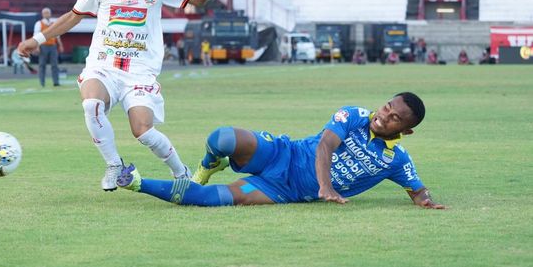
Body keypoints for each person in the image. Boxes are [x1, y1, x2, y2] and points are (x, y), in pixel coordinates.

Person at [18, 0, 219, 190]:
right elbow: (73, 15)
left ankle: (181, 173)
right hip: (103, 66)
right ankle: (114, 165)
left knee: (143, 131)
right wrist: (37, 40)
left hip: (140, 72)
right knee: (91, 104)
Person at [117, 92, 446, 210]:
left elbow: (417, 189)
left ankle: (134, 182)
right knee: (223, 138)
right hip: (283, 154)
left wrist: (425, 199)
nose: (384, 116)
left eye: (394, 118)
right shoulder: (354, 115)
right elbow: (325, 146)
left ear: (406, 130)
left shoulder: (396, 160)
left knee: (208, 200)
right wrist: (326, 186)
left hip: (280, 190)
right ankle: (206, 166)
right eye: (387, 106)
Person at [33, 8, 63, 87]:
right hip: (43, 45)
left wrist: (60, 45)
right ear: (42, 14)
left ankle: (56, 82)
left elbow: (57, 35)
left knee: (55, 65)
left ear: (50, 14)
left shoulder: (53, 23)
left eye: (48, 13)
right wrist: (37, 47)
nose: (47, 14)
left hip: (53, 46)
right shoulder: (39, 23)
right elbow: (36, 36)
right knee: (42, 65)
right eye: (45, 13)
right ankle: (42, 83)